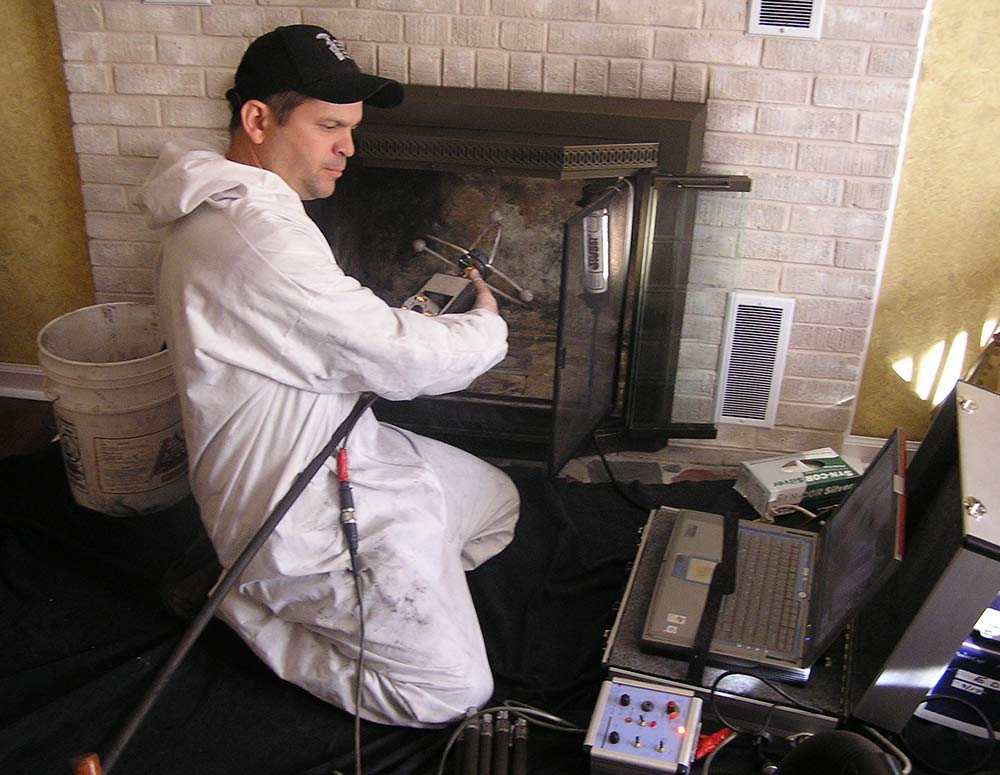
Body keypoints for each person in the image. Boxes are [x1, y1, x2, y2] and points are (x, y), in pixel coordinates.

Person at [136, 24, 520, 728]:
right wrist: (485, 327)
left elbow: (339, 332)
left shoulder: (247, 208)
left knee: (496, 505)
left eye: (352, 127)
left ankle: (401, 594)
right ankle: (245, 601)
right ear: (258, 120)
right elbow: (397, 358)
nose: (349, 146)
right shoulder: (252, 229)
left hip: (351, 453)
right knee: (451, 694)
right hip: (295, 512)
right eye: (329, 126)